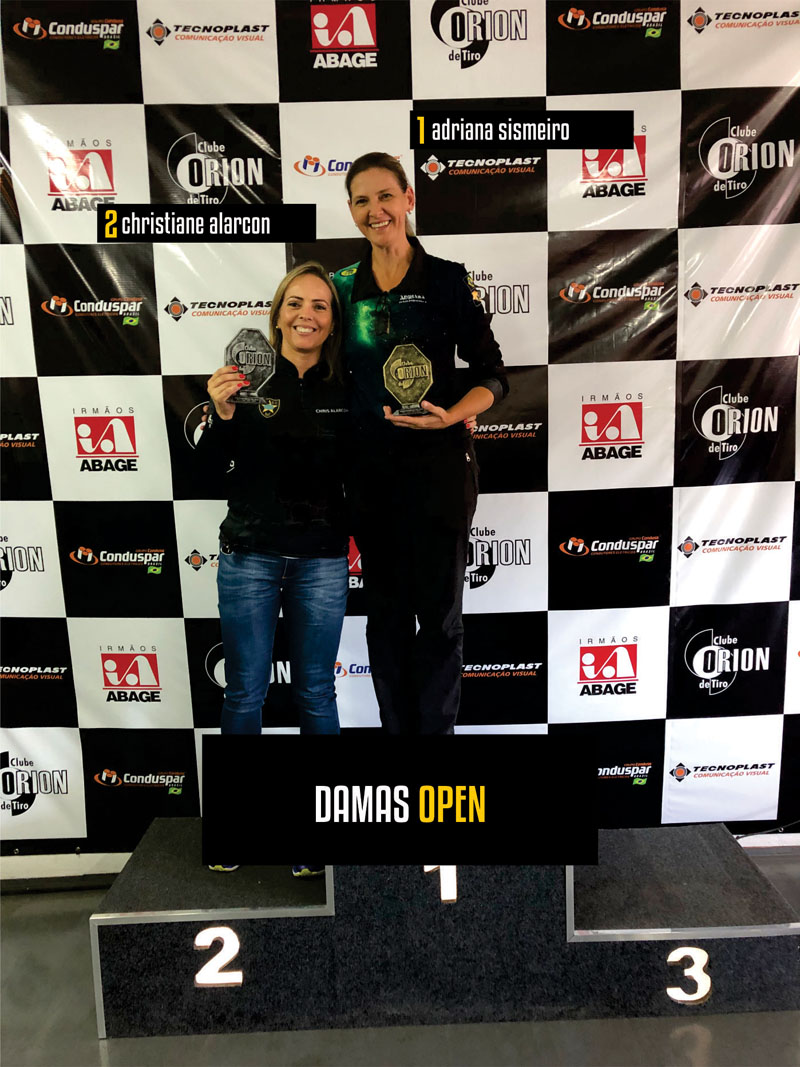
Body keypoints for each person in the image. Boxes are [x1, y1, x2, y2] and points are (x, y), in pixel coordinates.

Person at [333, 152, 508, 736]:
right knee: (384, 621)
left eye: (385, 196)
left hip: (439, 473)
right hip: (371, 479)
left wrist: (453, 415)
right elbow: (323, 376)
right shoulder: (341, 288)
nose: (375, 210)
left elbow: (493, 376)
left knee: (438, 620)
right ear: (351, 211)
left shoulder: (447, 279)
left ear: (408, 199)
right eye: (361, 200)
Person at [199, 262, 348, 877]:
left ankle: (320, 835)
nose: (306, 314)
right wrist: (221, 414)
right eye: (295, 303)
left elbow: (383, 459)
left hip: (322, 560)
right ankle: (237, 827)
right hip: (250, 556)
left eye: (319, 305)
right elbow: (210, 471)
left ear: (332, 321)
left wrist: (453, 426)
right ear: (277, 314)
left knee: (316, 692)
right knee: (245, 691)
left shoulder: (350, 383)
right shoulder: (244, 380)